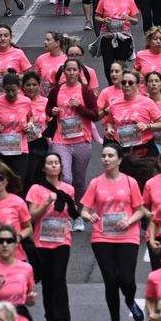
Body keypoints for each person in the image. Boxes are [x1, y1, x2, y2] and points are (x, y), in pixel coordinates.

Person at [80, 143, 148, 321]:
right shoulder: (95, 183)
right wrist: (88, 216)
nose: (106, 159)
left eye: (110, 156)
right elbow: (84, 208)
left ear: (119, 160)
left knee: (127, 279)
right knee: (110, 280)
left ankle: (129, 299)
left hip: (128, 236)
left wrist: (129, 221)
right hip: (102, 236)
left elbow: (140, 210)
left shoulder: (130, 182)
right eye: (103, 156)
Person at [25, 153, 75, 321]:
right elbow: (31, 217)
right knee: (47, 280)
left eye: (56, 163)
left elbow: (73, 211)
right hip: (42, 241)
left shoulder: (68, 189)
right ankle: (50, 317)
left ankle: (63, 320)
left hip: (63, 240)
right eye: (50, 163)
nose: (53, 166)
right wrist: (46, 203)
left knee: (59, 278)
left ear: (61, 167)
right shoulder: (36, 189)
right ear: (44, 168)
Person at [46, 59, 101, 216]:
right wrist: (53, 111)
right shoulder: (56, 91)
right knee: (66, 178)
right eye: (68, 70)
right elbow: (48, 109)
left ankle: (79, 209)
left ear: (79, 72)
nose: (71, 73)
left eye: (74, 70)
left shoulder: (85, 91)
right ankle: (66, 210)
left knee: (78, 180)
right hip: (60, 140)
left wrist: (80, 107)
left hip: (81, 141)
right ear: (64, 71)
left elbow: (95, 116)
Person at [95, 0, 139, 69]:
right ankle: (111, 84)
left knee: (120, 65)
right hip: (107, 35)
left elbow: (136, 21)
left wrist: (129, 18)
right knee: (108, 65)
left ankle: (119, 83)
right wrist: (103, 20)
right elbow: (97, 17)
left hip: (124, 36)